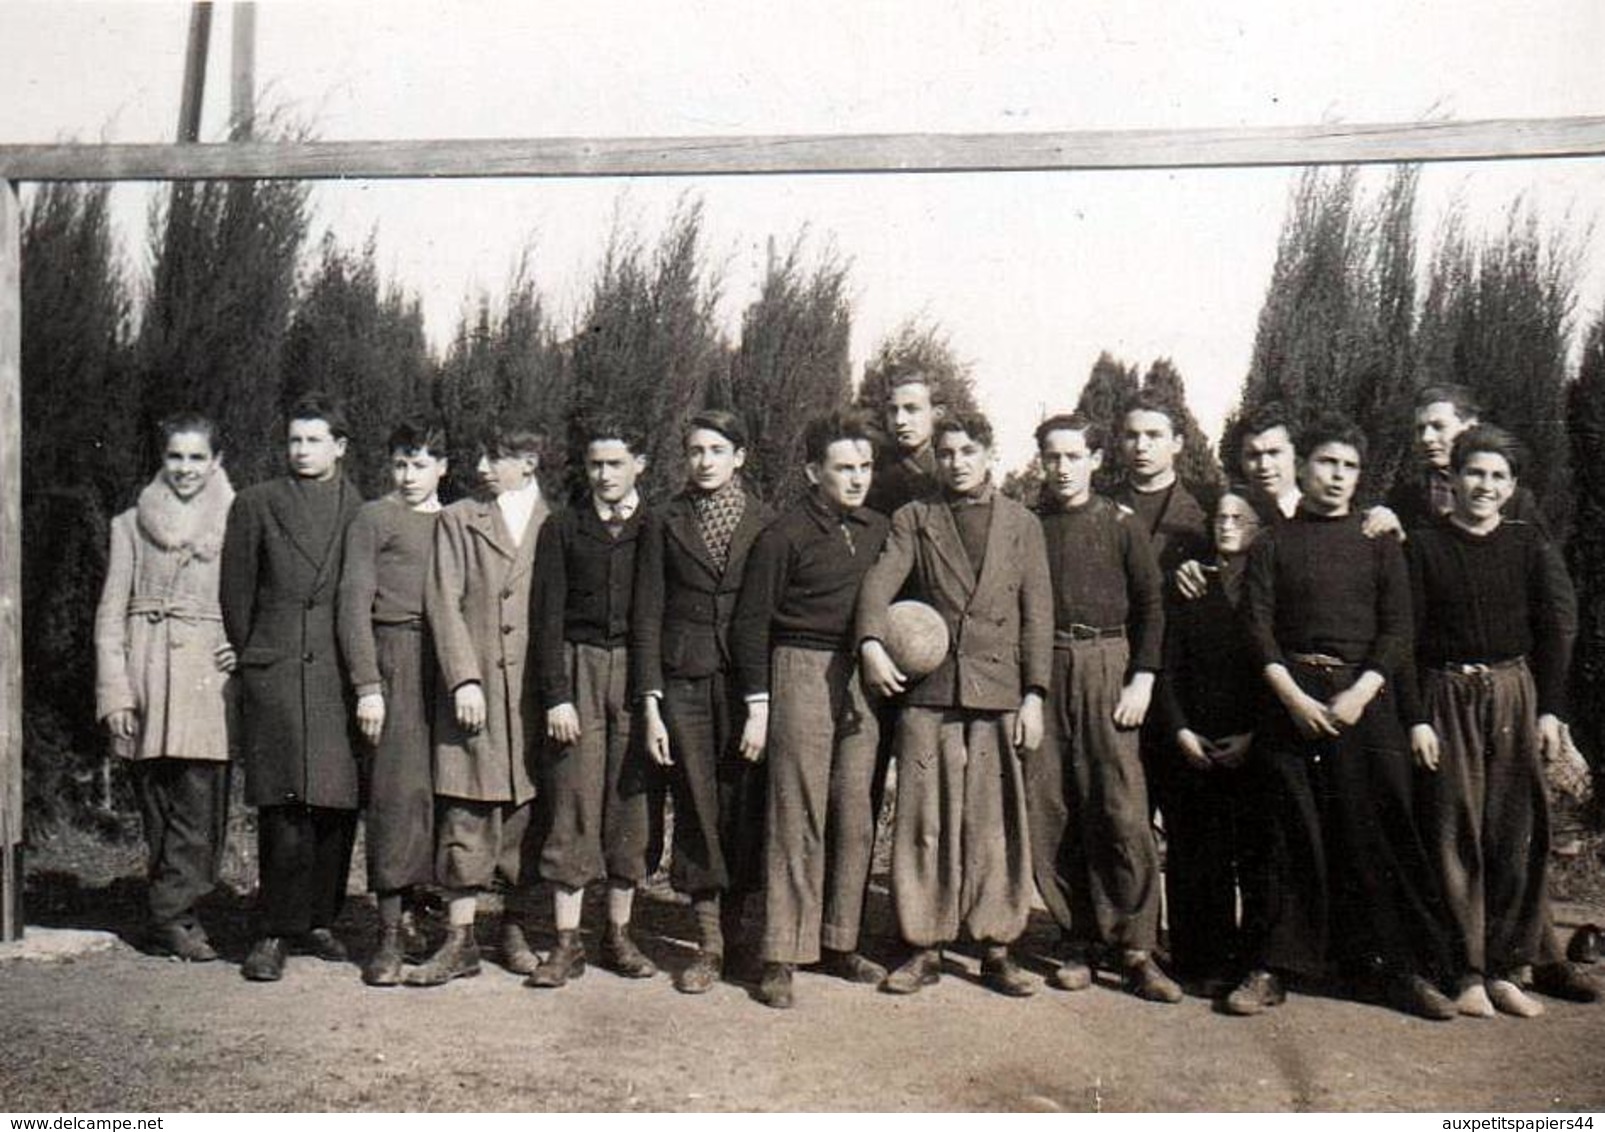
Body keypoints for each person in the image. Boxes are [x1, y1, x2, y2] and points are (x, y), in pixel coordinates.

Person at [1229, 413, 1455, 1020]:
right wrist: (1292, 696)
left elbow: (1399, 627)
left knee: (1376, 829)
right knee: (1286, 833)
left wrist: (1360, 693)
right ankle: (1273, 966)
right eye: (1328, 462)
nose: (1338, 475)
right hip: (1291, 701)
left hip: (1365, 702)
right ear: (1304, 465)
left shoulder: (1378, 538)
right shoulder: (1274, 541)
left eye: (1350, 466)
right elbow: (1256, 625)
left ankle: (1396, 968)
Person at [857, 409, 1052, 998]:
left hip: (998, 694)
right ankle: (925, 946)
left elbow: (1038, 615)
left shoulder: (1022, 523)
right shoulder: (915, 518)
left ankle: (996, 947)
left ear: (990, 454)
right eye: (946, 453)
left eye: (968, 451)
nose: (956, 462)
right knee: (923, 822)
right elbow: (876, 586)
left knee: (994, 825)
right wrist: (870, 642)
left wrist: (1035, 694)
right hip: (932, 693)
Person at [1405, 426, 1581, 1017]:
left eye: (1497, 476)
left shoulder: (1528, 544)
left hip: (1513, 692)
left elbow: (1556, 631)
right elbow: (1404, 643)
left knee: (1513, 832)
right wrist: (1416, 720)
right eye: (1474, 473)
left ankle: (1510, 967)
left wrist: (1551, 709)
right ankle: (1467, 971)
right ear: (1451, 480)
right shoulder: (1424, 548)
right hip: (1446, 696)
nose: (1484, 486)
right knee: (1455, 831)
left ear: (1512, 488)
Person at [730, 409, 890, 1009]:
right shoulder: (784, 534)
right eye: (843, 468)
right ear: (812, 471)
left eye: (865, 468)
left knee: (854, 809)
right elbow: (750, 625)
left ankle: (839, 940)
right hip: (800, 666)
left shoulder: (878, 529)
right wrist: (760, 702)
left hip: (862, 675)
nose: (857, 479)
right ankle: (780, 953)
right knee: (795, 811)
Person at [1026, 414, 1179, 1003]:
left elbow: (1152, 607)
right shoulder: (1032, 528)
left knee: (1120, 808)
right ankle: (1077, 937)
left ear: (1093, 460)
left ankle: (1137, 945)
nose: (1062, 469)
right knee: (1054, 806)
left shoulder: (1120, 525)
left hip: (1108, 662)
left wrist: (1141, 678)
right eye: (1051, 457)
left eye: (1073, 457)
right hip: (1047, 663)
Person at [222, 393, 364, 982]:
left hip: (336, 672)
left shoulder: (361, 509)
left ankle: (318, 918)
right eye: (294, 440)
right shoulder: (257, 504)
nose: (301, 451)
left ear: (339, 446)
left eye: (313, 440)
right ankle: (273, 929)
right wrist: (256, 654)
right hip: (278, 672)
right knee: (284, 803)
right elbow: (236, 592)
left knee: (334, 801)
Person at [634, 410, 773, 993]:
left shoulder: (767, 522)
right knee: (696, 801)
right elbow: (646, 611)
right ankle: (708, 944)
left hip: (746, 682)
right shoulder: (663, 519)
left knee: (743, 801)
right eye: (695, 450)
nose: (705, 460)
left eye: (717, 449)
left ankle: (744, 939)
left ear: (739, 456)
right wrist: (651, 700)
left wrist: (762, 698)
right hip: (684, 676)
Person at [525, 420, 663, 989]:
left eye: (614, 463)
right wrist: (557, 694)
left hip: (634, 672)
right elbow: (546, 618)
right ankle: (566, 943)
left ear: (640, 463)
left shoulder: (654, 527)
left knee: (630, 803)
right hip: (578, 668)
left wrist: (650, 697)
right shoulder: (563, 528)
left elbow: (654, 614)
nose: (604, 475)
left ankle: (619, 935)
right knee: (574, 798)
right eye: (594, 465)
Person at [409, 425, 549, 986]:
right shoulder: (460, 518)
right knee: (466, 811)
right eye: (483, 453)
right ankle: (459, 939)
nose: (484, 465)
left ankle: (515, 927)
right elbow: (443, 601)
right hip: (477, 693)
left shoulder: (555, 524)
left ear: (530, 462)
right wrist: (463, 679)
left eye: (499, 456)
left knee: (526, 815)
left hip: (532, 698)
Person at [95, 412, 237, 962]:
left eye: (197, 457)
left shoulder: (234, 520)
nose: (185, 468)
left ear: (217, 461)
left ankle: (174, 913)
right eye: (175, 456)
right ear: (162, 459)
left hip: (207, 675)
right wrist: (116, 693)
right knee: (157, 802)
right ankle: (172, 916)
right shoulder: (129, 525)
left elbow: (246, 597)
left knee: (201, 802)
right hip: (148, 670)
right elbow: (110, 616)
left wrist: (239, 647)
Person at [335, 417, 448, 986]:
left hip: (449, 666)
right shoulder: (373, 518)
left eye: (421, 464)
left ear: (443, 467)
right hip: (394, 659)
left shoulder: (457, 523)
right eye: (401, 463)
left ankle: (427, 922)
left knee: (442, 798)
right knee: (394, 796)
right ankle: (386, 934)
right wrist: (368, 686)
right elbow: (353, 603)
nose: (409, 476)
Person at [1152, 485, 1272, 991]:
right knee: (1193, 852)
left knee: (1255, 852)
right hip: (1194, 738)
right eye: (1220, 516)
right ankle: (1197, 958)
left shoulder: (1269, 590)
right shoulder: (1191, 585)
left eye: (1239, 517)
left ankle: (1253, 960)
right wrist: (1179, 729)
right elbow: (1169, 666)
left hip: (1252, 740)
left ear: (1260, 528)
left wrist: (1254, 734)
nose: (1226, 524)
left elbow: (1274, 669)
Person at [863, 370, 945, 517]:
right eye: (893, 411)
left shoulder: (951, 468)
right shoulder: (870, 472)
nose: (900, 420)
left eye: (911, 409)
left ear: (937, 413)